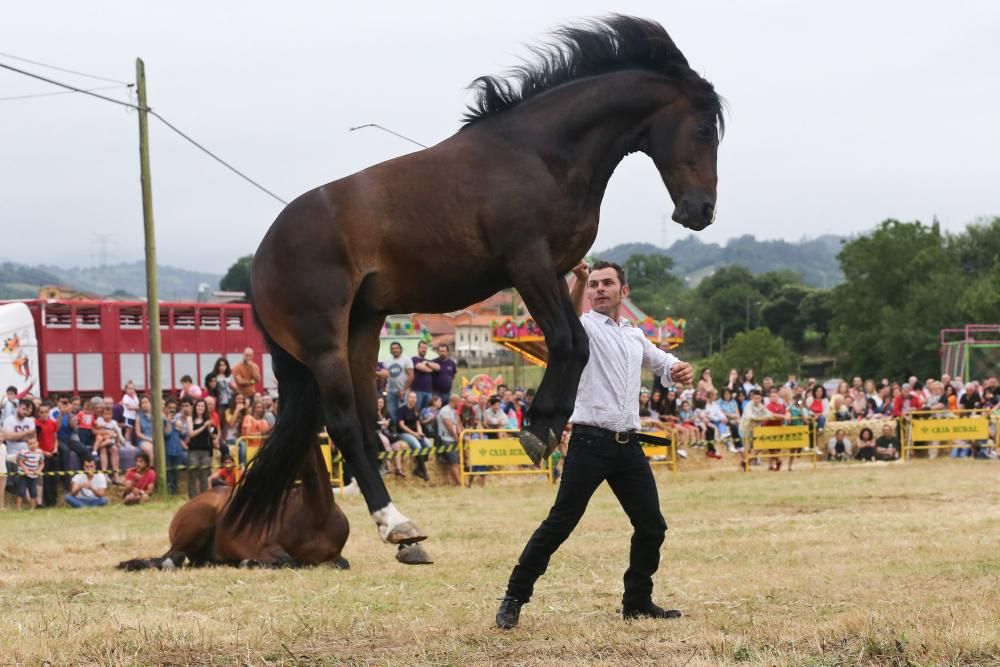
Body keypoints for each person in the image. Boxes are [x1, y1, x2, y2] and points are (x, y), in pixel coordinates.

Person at [496, 260, 694, 630]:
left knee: (652, 526)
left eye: (606, 283)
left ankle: (637, 602)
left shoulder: (635, 336)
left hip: (628, 446)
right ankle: (514, 596)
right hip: (589, 442)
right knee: (560, 523)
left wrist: (680, 368)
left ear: (624, 291)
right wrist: (579, 279)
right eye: (594, 285)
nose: (599, 289)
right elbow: (566, 318)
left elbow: (665, 364)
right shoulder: (584, 327)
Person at [396, 390, 430, 481]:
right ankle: (424, 471)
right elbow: (401, 425)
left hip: (415, 432)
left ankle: (419, 467)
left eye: (414, 397)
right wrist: (414, 434)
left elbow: (418, 423)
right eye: (411, 397)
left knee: (428, 445)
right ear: (407, 398)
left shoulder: (416, 409)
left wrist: (420, 432)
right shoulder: (401, 410)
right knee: (417, 446)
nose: (413, 399)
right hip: (404, 433)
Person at [186, 398, 217, 498]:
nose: (200, 408)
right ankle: (192, 497)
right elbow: (191, 434)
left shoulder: (209, 420)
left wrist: (209, 427)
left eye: (202, 406)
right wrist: (204, 426)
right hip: (193, 451)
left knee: (204, 476)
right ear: (195, 407)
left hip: (206, 451)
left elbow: (213, 435)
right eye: (198, 406)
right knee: (193, 475)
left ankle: (204, 497)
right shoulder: (190, 419)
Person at [34, 401, 60, 507]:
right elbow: (34, 442)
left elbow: (55, 437)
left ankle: (55, 501)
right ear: (38, 413)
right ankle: (48, 502)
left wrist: (55, 449)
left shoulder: (52, 423)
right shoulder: (36, 424)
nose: (44, 414)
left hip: (52, 453)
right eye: (42, 412)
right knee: (46, 479)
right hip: (42, 455)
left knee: (54, 478)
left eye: (46, 412)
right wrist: (44, 452)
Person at [382, 341, 413, 427]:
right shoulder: (387, 361)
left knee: (401, 413)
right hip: (390, 391)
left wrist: (404, 389)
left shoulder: (407, 360)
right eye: (393, 349)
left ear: (400, 349)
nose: (395, 350)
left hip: (402, 392)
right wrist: (384, 389)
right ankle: (395, 431)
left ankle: (403, 430)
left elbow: (411, 376)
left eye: (396, 348)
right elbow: (385, 376)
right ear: (391, 351)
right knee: (391, 412)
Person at [436, 394, 462, 486]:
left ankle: (456, 482)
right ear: (454, 401)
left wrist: (461, 434)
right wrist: (456, 436)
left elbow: (457, 423)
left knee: (457, 461)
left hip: (453, 438)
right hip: (446, 438)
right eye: (458, 402)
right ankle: (459, 483)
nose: (459, 404)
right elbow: (449, 425)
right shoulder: (445, 411)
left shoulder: (453, 411)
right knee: (453, 462)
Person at [164, 400, 189, 494]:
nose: (172, 410)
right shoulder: (163, 420)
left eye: (174, 408)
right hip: (167, 450)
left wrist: (180, 428)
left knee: (176, 472)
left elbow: (184, 434)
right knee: (168, 472)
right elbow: (167, 434)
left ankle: (175, 491)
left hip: (177, 450)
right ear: (165, 408)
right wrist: (168, 422)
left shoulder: (178, 420)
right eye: (170, 408)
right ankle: (168, 491)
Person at [15, 432, 44, 509]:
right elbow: (19, 462)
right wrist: (25, 469)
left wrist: (39, 470)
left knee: (33, 492)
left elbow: (42, 463)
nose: (32, 445)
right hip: (23, 474)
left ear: (37, 443)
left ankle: (32, 509)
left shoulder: (40, 452)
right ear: (27, 445)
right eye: (30, 444)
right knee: (21, 491)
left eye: (34, 443)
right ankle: (18, 508)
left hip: (33, 475)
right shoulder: (24, 452)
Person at [410, 341, 436, 411]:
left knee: (427, 411)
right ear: (418, 348)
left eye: (425, 348)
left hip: (428, 391)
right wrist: (431, 368)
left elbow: (437, 367)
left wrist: (427, 363)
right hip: (417, 391)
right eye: (422, 347)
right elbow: (421, 368)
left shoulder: (428, 360)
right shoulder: (413, 359)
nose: (424, 349)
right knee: (416, 410)